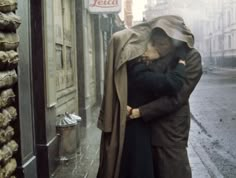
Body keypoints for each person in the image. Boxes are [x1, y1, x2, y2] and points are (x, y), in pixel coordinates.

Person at [97, 15, 202, 178]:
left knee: (172, 172)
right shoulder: (150, 53)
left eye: (163, 43)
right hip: (145, 131)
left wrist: (139, 112)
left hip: (169, 133)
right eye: (156, 42)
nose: (158, 46)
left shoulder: (191, 57)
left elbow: (176, 98)